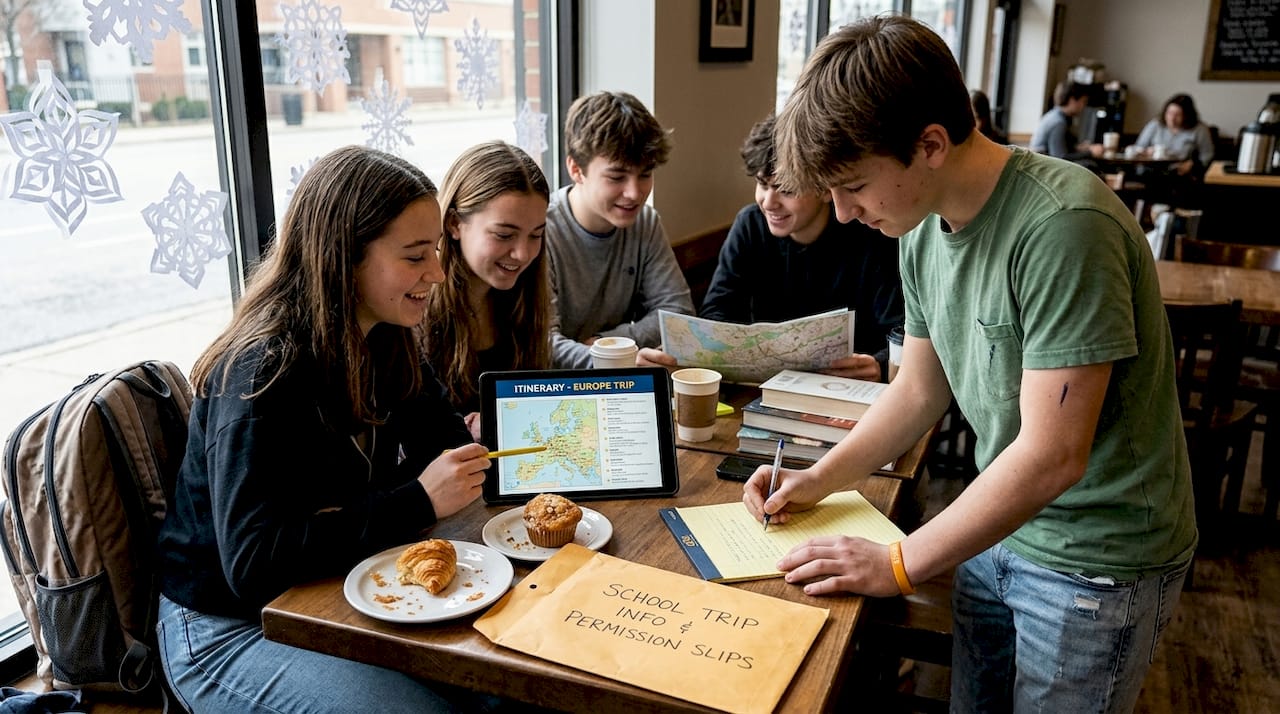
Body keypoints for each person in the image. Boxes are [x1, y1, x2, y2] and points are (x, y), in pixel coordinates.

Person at [755, 16, 1196, 713]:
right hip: (999, 519)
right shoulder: (917, 223)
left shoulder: (1063, 227)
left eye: (853, 186)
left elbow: (1054, 457)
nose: (841, 214)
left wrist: (897, 562)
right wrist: (817, 478)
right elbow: (918, 389)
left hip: (1097, 560)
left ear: (930, 144)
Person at [155, 145, 493, 713]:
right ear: (345, 258)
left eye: (434, 250)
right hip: (224, 626)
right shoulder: (262, 370)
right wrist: (415, 500)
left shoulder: (386, 333)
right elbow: (254, 563)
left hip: (334, 588)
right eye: (416, 256)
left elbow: (447, 442)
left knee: (503, 690)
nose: (437, 273)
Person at [698, 113, 904, 381]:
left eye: (785, 189)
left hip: (846, 388)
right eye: (762, 184)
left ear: (823, 190)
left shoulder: (871, 235)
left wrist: (879, 363)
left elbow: (899, 329)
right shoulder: (750, 225)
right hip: (768, 385)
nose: (768, 202)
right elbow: (717, 313)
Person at [544, 90, 695, 369]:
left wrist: (608, 343)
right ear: (576, 169)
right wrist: (613, 358)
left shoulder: (646, 223)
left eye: (645, 174)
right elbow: (544, 341)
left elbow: (677, 315)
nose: (634, 193)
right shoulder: (541, 231)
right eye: (616, 177)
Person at [420, 141, 551, 439]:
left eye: (536, 235)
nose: (522, 253)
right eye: (504, 234)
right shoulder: (414, 308)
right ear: (454, 224)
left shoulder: (524, 299)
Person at [1134, 94, 1214, 174]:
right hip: (1150, 169)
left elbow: (1207, 155)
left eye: (1178, 115)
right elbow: (1138, 147)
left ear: (1187, 116)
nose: (1172, 118)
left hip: (1179, 172)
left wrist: (1192, 165)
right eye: (1169, 113)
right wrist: (1146, 152)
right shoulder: (1155, 124)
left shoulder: (1199, 129)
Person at [1029, 80, 1101, 162]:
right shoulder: (1058, 122)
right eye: (1083, 102)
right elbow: (1060, 158)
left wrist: (1078, 148)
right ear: (1072, 100)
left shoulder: (1054, 115)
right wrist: (1090, 153)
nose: (1083, 107)